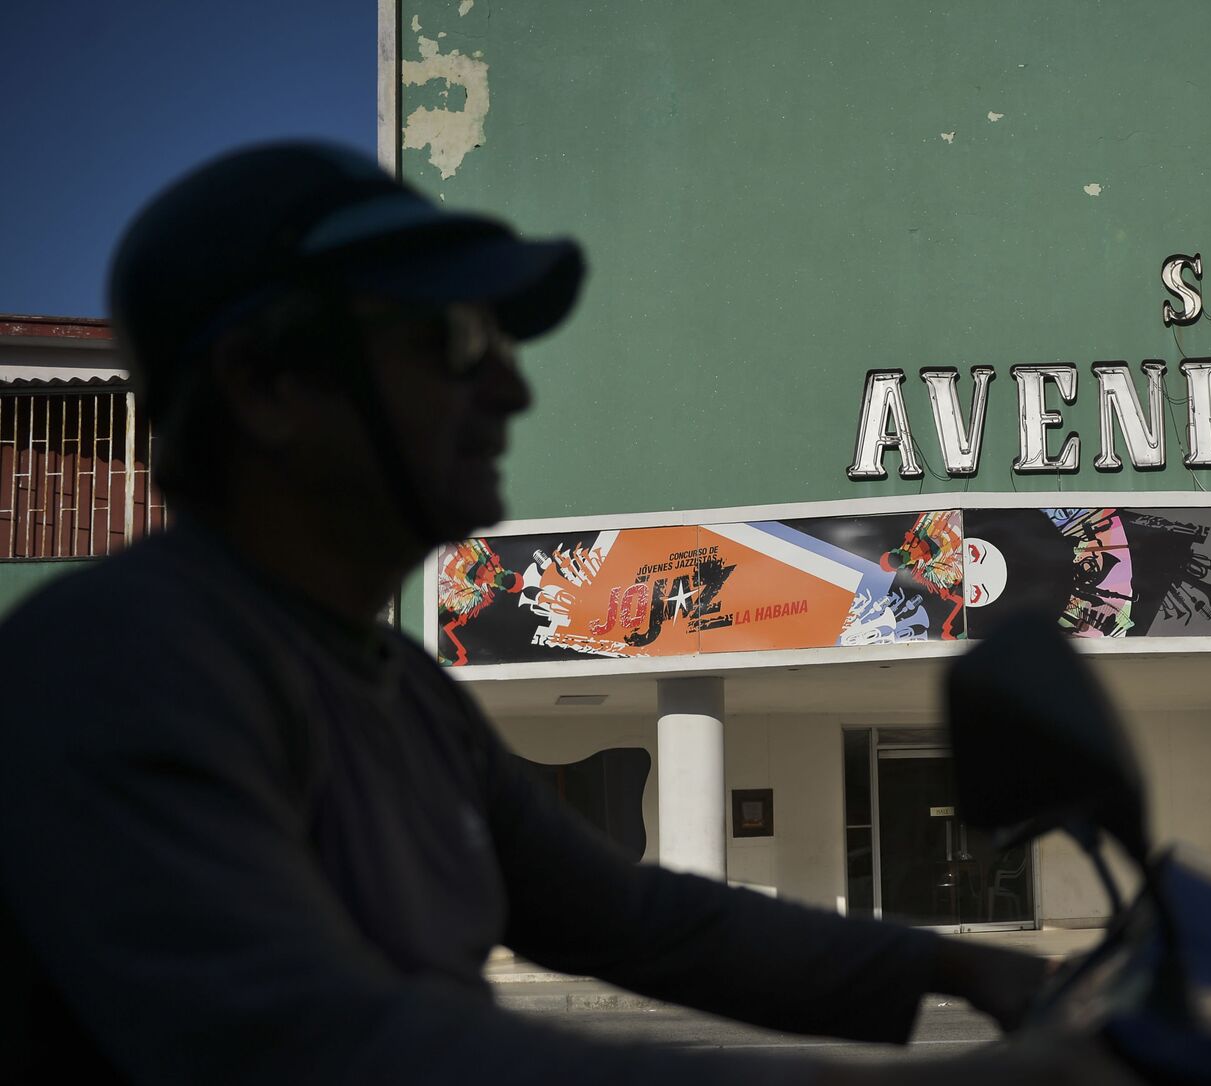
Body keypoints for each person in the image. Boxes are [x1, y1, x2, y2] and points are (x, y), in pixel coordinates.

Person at [0, 143, 1131, 1084]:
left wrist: (958, 968)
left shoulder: (402, 693)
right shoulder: (122, 666)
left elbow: (635, 917)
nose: (512, 390)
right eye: (451, 343)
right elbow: (325, 1051)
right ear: (267, 385)